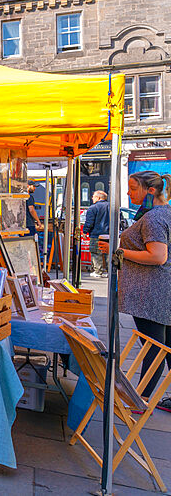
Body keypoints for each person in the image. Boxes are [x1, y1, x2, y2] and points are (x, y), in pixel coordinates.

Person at [101, 171, 171, 407]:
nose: (129, 193)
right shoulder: (163, 213)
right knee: (165, 346)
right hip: (162, 289)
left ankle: (140, 399)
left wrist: (117, 251)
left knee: (153, 347)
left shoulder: (153, 218)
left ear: (150, 190)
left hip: (151, 291)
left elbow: (158, 256)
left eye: (132, 188)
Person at [82, 190, 110, 279]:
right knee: (109, 253)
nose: (92, 198)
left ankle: (98, 271)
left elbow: (89, 222)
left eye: (93, 196)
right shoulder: (112, 206)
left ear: (98, 198)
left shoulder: (93, 208)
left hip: (96, 234)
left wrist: (85, 231)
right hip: (110, 234)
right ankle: (111, 271)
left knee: (96, 252)